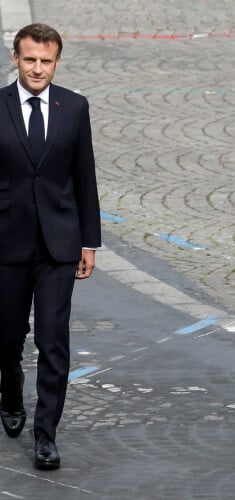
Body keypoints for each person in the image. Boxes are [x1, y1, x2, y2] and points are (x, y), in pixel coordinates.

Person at [0, 23, 101, 469]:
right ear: (16, 59)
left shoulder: (74, 107)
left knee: (52, 340)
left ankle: (46, 435)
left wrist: (89, 242)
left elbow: (85, 178)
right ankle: (9, 392)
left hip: (59, 244)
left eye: (46, 61)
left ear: (57, 62)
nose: (37, 68)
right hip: (6, 242)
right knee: (6, 338)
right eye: (29, 59)